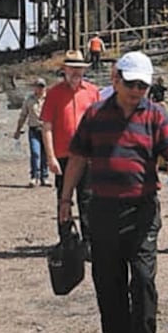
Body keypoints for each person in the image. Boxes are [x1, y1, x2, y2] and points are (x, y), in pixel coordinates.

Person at [58, 51, 168, 333]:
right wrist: (65, 201)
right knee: (108, 282)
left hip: (142, 211)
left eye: (143, 85)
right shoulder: (96, 114)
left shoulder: (156, 115)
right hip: (102, 210)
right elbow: (77, 157)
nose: (136, 90)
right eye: (131, 84)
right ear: (116, 80)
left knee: (143, 279)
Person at [40, 50, 101, 247]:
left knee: (88, 199)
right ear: (64, 70)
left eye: (79, 69)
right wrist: (50, 157)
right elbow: (47, 126)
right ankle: (66, 240)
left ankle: (89, 242)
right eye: (72, 68)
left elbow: (100, 124)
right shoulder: (54, 93)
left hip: (88, 156)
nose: (76, 72)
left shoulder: (92, 92)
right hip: (63, 156)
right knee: (63, 198)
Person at [13, 77, 49, 187]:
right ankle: (34, 177)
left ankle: (44, 177)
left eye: (42, 86)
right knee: (35, 153)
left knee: (45, 155)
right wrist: (18, 130)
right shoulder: (29, 100)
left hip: (46, 130)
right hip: (34, 130)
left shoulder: (49, 99)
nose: (40, 88)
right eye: (38, 86)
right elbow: (23, 115)